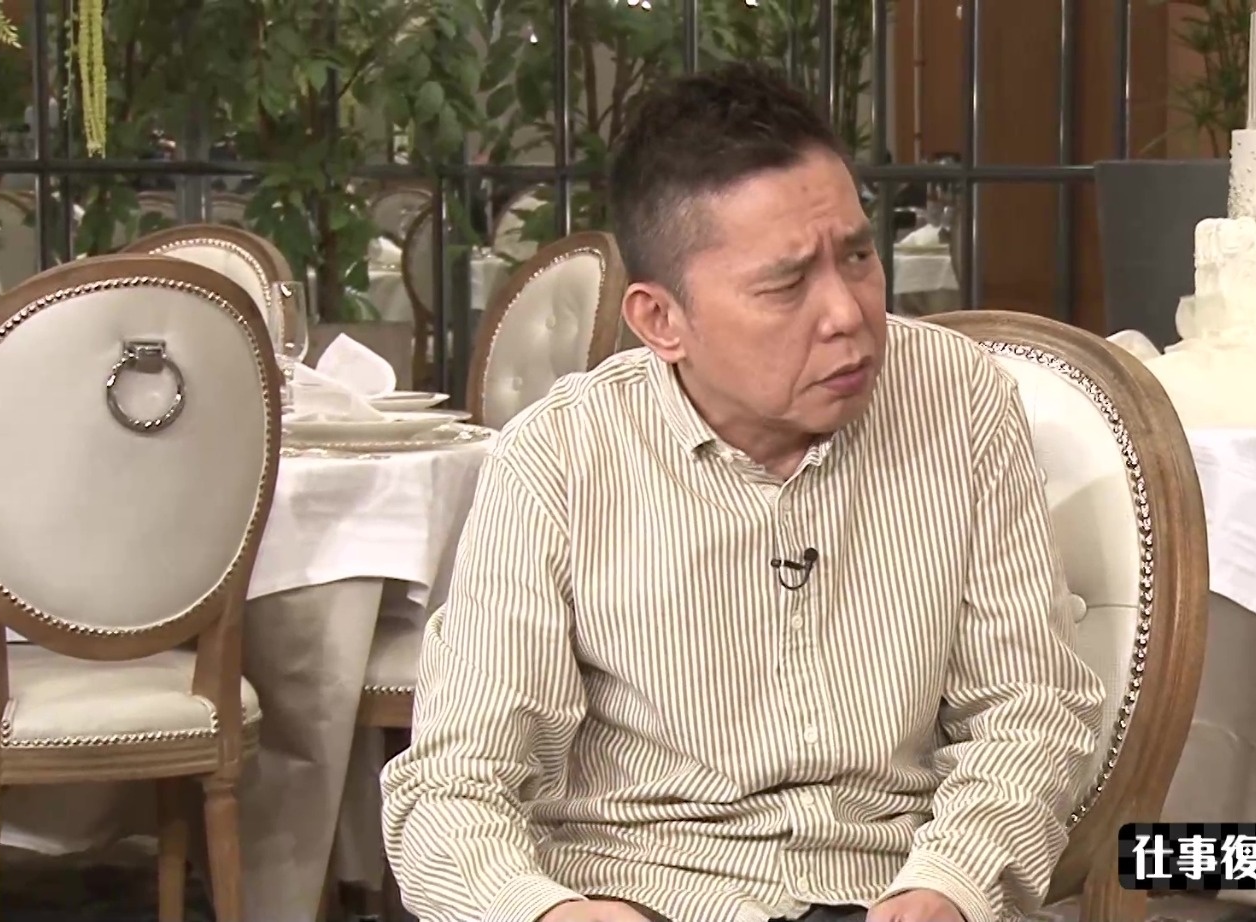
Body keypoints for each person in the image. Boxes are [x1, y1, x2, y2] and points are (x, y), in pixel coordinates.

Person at [381, 61, 1104, 922]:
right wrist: (545, 912)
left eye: (859, 256)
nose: (847, 314)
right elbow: (454, 783)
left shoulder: (959, 398)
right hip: (638, 890)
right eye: (786, 284)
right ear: (661, 320)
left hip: (887, 884)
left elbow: (1029, 709)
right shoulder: (561, 458)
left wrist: (951, 885)